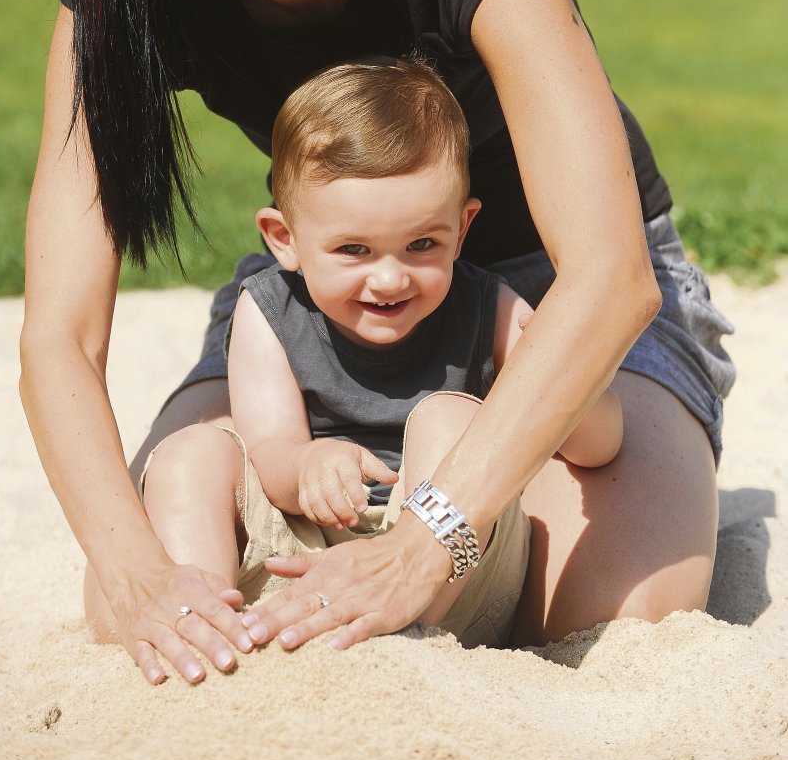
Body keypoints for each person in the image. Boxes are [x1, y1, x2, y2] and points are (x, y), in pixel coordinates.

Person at [20, 0, 734, 687]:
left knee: (618, 608)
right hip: (336, 286)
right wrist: (135, 572)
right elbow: (60, 335)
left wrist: (429, 538)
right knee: (132, 598)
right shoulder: (115, 13)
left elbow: (613, 276)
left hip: (549, 285)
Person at [138, 59, 623, 656]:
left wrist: (557, 356)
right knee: (191, 452)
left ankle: (410, 641)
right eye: (353, 249)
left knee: (450, 416)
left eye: (422, 244)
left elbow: (599, 445)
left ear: (462, 228)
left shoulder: (490, 308)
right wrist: (307, 463)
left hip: (448, 567)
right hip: (304, 550)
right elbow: (270, 454)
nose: (390, 277)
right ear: (283, 238)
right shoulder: (266, 311)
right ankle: (206, 621)